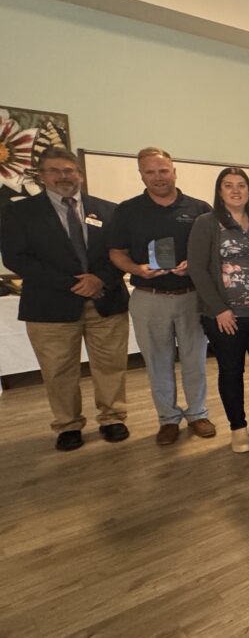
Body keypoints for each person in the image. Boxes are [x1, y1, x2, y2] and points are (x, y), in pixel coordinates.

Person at [0, 147, 130, 451]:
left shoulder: (110, 211)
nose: (63, 176)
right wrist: (72, 284)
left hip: (105, 300)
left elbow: (122, 252)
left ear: (80, 175)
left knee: (110, 365)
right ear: (42, 176)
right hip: (50, 305)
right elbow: (17, 258)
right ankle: (68, 425)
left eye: (69, 170)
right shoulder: (19, 212)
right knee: (58, 370)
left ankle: (112, 418)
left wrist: (100, 279)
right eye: (54, 171)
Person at [107, 147, 214, 445]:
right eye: (150, 172)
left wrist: (194, 265)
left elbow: (212, 252)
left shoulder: (199, 209)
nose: (158, 177)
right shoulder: (127, 211)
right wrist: (137, 269)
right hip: (148, 295)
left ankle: (198, 414)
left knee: (195, 358)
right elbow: (116, 253)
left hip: (192, 295)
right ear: (141, 175)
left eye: (163, 170)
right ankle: (167, 419)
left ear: (174, 171)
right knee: (157, 360)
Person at [188, 168, 249, 453]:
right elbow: (198, 269)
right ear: (220, 191)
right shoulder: (207, 223)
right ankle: (237, 428)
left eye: (241, 185)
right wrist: (219, 309)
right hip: (225, 316)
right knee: (231, 370)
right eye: (229, 186)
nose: (236, 190)